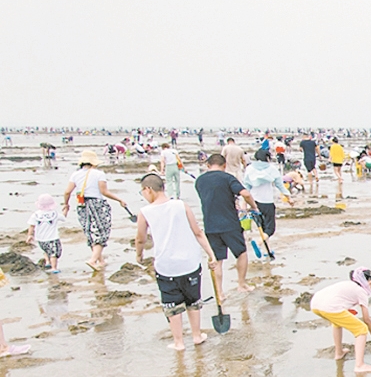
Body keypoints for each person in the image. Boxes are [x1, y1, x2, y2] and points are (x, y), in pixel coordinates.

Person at [135, 173, 217, 351]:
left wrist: (139, 255)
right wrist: (211, 254)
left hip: (166, 266)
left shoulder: (145, 212)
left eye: (142, 191)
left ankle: (179, 342)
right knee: (193, 300)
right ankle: (196, 335)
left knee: (172, 303)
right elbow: (198, 232)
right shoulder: (181, 205)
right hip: (190, 262)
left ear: (149, 190)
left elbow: (140, 239)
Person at [195, 154, 259, 297]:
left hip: (210, 225)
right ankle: (241, 284)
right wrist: (254, 207)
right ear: (224, 165)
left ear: (208, 165)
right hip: (230, 223)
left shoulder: (200, 181)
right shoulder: (228, 178)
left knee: (217, 259)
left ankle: (220, 293)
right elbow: (246, 194)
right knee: (241, 253)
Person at [309, 268, 371, 373]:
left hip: (315, 304)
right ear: (369, 282)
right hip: (331, 307)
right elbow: (366, 319)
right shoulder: (362, 292)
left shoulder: (348, 284)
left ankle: (339, 352)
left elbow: (338, 297)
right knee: (361, 329)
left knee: (337, 322)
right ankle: (359, 365)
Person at [62, 150, 128, 270]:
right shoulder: (98, 174)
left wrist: (66, 204)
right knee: (102, 231)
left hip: (82, 204)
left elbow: (67, 192)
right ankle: (93, 260)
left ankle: (100, 260)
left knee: (91, 231)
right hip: (97, 203)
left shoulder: (75, 174)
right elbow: (104, 191)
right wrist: (119, 200)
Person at [243, 149, 290, 238]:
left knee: (261, 226)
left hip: (254, 202)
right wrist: (289, 198)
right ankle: (261, 242)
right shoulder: (272, 168)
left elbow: (246, 187)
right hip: (267, 201)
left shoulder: (249, 168)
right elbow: (280, 185)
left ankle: (265, 245)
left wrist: (244, 203)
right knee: (270, 229)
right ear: (268, 158)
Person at [26, 194, 63, 274]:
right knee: (54, 253)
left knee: (45, 250)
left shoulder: (36, 214)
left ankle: (47, 262)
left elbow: (31, 225)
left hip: (40, 238)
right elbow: (63, 218)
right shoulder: (54, 213)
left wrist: (30, 235)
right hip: (52, 237)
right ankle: (54, 268)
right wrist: (66, 209)